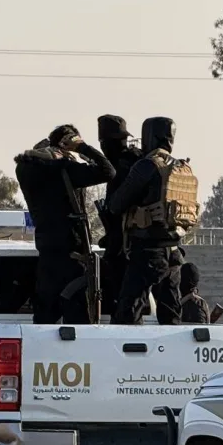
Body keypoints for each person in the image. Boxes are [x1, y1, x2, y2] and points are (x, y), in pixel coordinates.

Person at [14, 125, 114, 324]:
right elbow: (108, 171)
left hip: (47, 255)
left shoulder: (25, 169)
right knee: (79, 325)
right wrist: (83, 147)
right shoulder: (64, 170)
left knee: (44, 320)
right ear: (68, 143)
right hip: (72, 257)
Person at [107, 117, 197, 325]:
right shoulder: (180, 167)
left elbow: (116, 204)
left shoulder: (147, 166)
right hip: (173, 252)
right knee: (171, 316)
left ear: (149, 137)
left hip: (148, 252)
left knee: (127, 314)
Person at [95, 115, 141, 316]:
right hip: (131, 242)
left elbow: (116, 208)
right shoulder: (136, 161)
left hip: (126, 246)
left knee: (121, 303)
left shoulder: (121, 166)